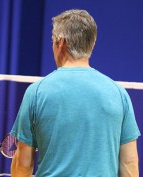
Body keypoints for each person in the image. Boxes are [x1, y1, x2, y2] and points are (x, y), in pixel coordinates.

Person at [10, 9, 141, 177]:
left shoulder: (36, 93)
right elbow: (129, 164)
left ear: (61, 42)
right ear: (92, 43)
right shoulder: (119, 94)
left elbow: (23, 164)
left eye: (52, 41)